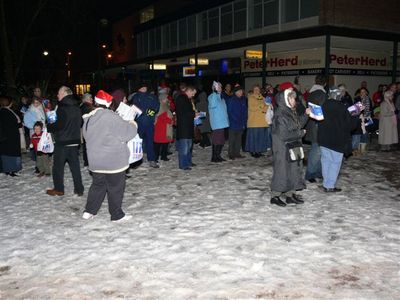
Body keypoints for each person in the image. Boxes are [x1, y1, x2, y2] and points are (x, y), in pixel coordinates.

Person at [82, 90, 137, 222]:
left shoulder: (88, 119)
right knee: (115, 187)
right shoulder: (111, 116)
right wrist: (132, 124)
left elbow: (86, 136)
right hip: (113, 160)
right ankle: (116, 214)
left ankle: (89, 211)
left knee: (98, 185)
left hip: (96, 161)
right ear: (108, 103)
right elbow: (127, 134)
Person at [270, 89, 310, 207]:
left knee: (292, 170)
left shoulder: (290, 112)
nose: (294, 100)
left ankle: (290, 194)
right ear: (286, 100)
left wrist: (306, 115)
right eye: (291, 98)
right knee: (282, 171)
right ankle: (275, 196)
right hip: (283, 149)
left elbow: (297, 125)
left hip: (292, 146)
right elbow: (284, 135)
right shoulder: (280, 115)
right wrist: (300, 134)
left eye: (294, 98)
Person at [46, 86, 84, 197]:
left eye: (58, 93)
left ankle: (59, 189)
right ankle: (79, 189)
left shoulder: (61, 107)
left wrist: (50, 126)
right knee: (75, 167)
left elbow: (58, 125)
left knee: (57, 167)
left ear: (64, 93)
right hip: (74, 141)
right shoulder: (77, 107)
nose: (57, 95)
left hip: (62, 141)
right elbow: (80, 123)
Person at [318, 87, 355, 193]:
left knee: (326, 161)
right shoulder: (341, 107)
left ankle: (326, 183)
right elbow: (349, 126)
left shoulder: (324, 105)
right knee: (335, 163)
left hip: (324, 139)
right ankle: (330, 185)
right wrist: (355, 116)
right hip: (336, 140)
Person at [130, 83, 160, 168]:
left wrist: (150, 114)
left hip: (149, 123)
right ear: (139, 88)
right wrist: (143, 113)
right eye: (142, 87)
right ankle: (136, 161)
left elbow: (156, 106)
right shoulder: (136, 97)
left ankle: (152, 159)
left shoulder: (151, 96)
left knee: (150, 142)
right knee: (138, 142)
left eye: (145, 86)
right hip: (139, 123)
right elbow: (134, 108)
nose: (144, 88)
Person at [304, 75, 327, 183]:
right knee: (316, 150)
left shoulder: (311, 93)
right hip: (318, 124)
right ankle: (311, 173)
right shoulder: (321, 94)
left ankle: (317, 172)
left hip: (312, 124)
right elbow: (323, 110)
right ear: (325, 84)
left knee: (318, 150)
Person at [0, 96, 23, 177]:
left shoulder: (5, 111)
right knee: (10, 154)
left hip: (7, 137)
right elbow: (12, 124)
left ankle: (8, 169)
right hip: (9, 137)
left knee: (7, 154)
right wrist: (19, 124)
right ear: (10, 103)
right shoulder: (6, 112)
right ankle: (11, 170)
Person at [175, 85, 196, 170]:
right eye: (193, 93)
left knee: (189, 146)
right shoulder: (181, 99)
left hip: (188, 126)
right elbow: (182, 113)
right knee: (184, 147)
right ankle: (183, 164)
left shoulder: (187, 99)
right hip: (183, 127)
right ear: (189, 91)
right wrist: (194, 114)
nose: (193, 95)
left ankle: (188, 162)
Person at [245, 84, 269, 158]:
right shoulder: (251, 97)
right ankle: (253, 151)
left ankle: (259, 151)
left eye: (257, 89)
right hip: (254, 122)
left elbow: (266, 107)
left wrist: (264, 107)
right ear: (253, 90)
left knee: (260, 138)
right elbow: (252, 108)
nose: (256, 91)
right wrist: (261, 105)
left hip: (262, 121)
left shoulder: (263, 98)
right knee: (254, 138)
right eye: (255, 89)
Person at [208, 81, 229, 162]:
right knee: (216, 140)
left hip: (222, 123)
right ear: (214, 88)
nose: (220, 88)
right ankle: (214, 157)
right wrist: (214, 92)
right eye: (218, 87)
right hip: (217, 123)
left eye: (220, 87)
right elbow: (213, 105)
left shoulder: (221, 98)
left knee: (221, 140)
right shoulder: (212, 96)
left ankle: (218, 155)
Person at [226, 84, 247, 159]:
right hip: (233, 123)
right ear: (236, 92)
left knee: (239, 139)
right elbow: (229, 111)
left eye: (241, 91)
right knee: (232, 139)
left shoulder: (243, 100)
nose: (241, 92)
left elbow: (245, 111)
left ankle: (237, 153)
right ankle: (231, 154)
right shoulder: (232, 100)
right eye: (239, 91)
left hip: (241, 123)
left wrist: (244, 121)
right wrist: (236, 119)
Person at [154, 93, 174, 162]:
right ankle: (155, 157)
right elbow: (160, 116)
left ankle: (164, 156)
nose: (167, 99)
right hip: (160, 127)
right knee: (158, 144)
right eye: (166, 98)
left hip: (165, 127)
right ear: (162, 99)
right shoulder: (160, 106)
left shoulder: (166, 106)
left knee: (165, 143)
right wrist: (169, 121)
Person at [195, 83, 211, 148]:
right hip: (207, 120)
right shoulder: (208, 103)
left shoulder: (198, 104)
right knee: (204, 132)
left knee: (203, 132)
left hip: (201, 120)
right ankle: (204, 143)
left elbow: (197, 112)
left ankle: (205, 144)